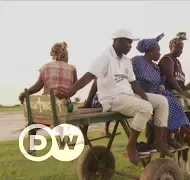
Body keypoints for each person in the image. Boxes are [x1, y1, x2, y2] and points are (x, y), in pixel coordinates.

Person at [55, 29, 173, 165]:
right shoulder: (106, 57)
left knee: (162, 101)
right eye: (128, 42)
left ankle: (159, 142)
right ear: (117, 41)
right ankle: (131, 147)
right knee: (145, 108)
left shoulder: (126, 61)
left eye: (131, 43)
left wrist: (144, 96)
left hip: (129, 95)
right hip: (112, 98)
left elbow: (133, 83)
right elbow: (89, 76)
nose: (130, 45)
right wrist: (69, 93)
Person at [131, 33, 190, 151]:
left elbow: (162, 80)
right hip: (139, 93)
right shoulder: (137, 61)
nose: (160, 53)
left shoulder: (155, 67)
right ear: (150, 51)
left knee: (172, 100)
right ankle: (164, 138)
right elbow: (129, 77)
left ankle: (172, 135)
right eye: (157, 50)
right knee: (167, 101)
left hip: (156, 93)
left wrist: (161, 86)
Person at [18, 41, 77, 154]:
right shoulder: (72, 68)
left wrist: (26, 93)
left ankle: (32, 147)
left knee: (35, 120)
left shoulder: (45, 67)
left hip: (47, 106)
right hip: (64, 105)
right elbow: (75, 88)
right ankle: (64, 139)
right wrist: (67, 95)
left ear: (54, 54)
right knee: (62, 112)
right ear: (64, 55)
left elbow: (37, 87)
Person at [158, 32, 190, 144]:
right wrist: (181, 92)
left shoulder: (178, 62)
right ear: (171, 47)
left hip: (179, 90)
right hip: (169, 91)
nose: (180, 51)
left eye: (182, 48)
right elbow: (171, 78)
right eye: (178, 48)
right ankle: (181, 133)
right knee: (188, 103)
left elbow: (180, 81)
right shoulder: (167, 59)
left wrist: (186, 90)